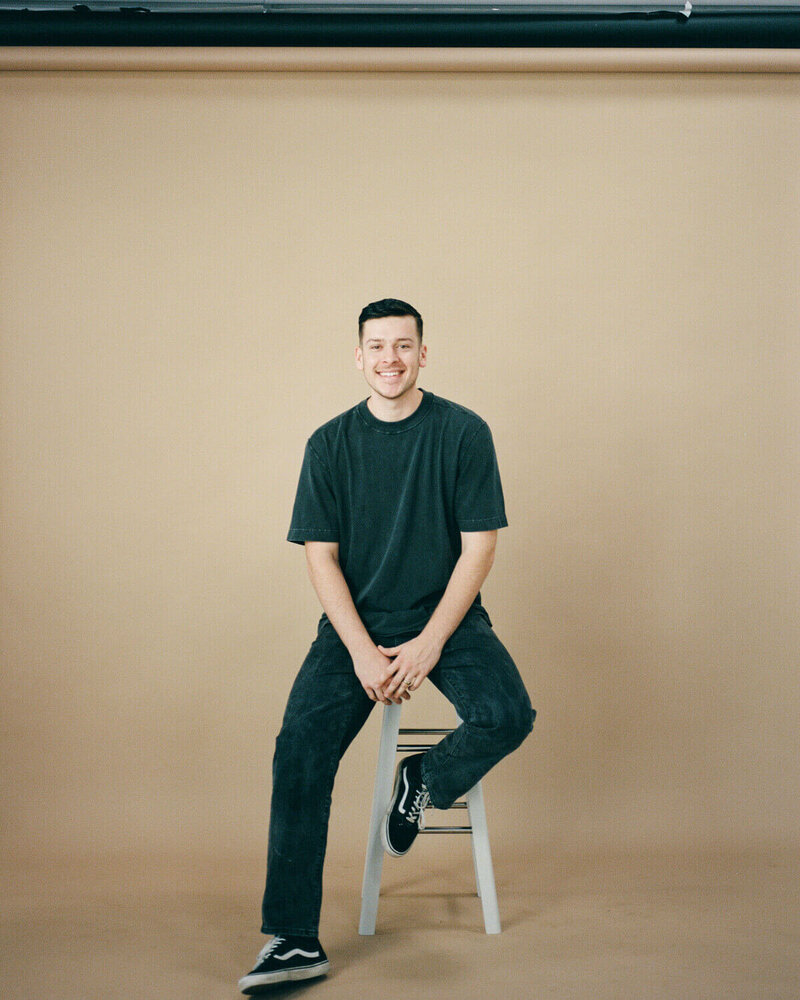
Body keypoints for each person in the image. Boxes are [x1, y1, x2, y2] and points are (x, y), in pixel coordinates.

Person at [239, 298, 535, 993]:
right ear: (359, 356)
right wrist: (365, 652)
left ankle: (422, 779)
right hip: (355, 628)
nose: (391, 360)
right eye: (378, 347)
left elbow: (478, 548)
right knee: (299, 748)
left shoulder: (464, 432)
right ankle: (291, 939)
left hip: (448, 622)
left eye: (404, 346)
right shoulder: (329, 444)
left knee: (508, 714)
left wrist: (431, 643)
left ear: (423, 354)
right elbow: (320, 558)